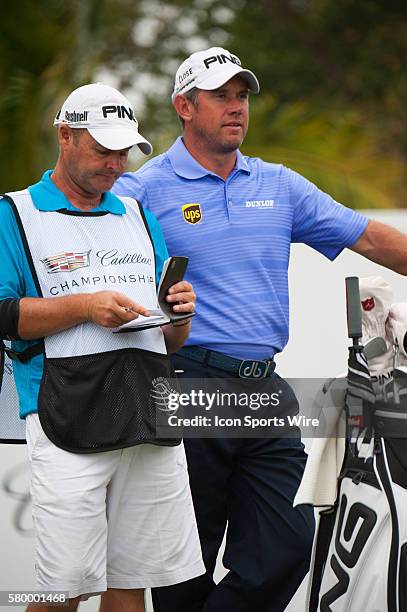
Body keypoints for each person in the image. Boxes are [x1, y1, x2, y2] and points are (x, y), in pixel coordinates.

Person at [113, 46, 407, 612]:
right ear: (184, 106)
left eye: (242, 95)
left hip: (265, 389)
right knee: (185, 562)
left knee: (290, 544)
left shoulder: (278, 184)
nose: (236, 107)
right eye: (220, 96)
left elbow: (369, 238)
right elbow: (89, 243)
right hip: (185, 381)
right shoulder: (145, 189)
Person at [0, 82, 205, 612]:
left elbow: (171, 338)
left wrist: (178, 312)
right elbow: (3, 316)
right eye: (102, 149)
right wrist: (86, 307)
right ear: (65, 136)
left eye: (124, 151)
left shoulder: (137, 215)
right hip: (65, 409)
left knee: (131, 581)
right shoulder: (14, 213)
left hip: (148, 409)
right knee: (64, 588)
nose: (116, 164)